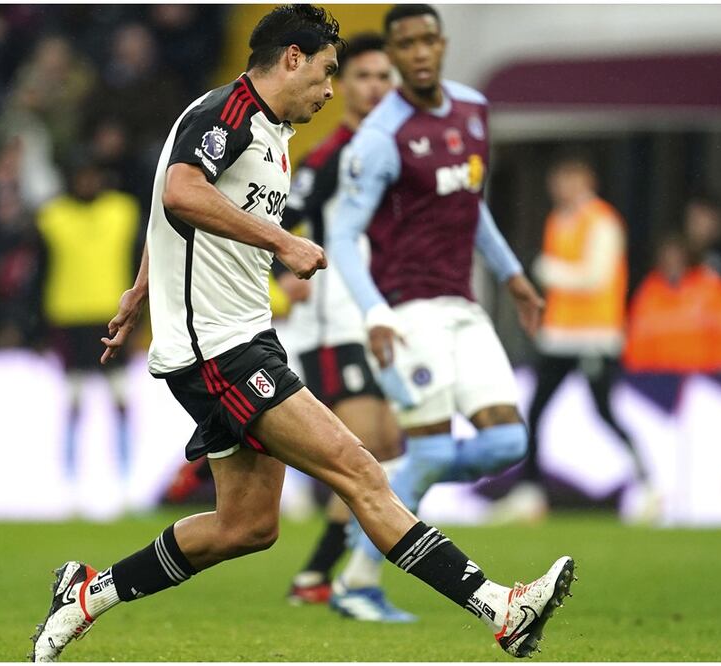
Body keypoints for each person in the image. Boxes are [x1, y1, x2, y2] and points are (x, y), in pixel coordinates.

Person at [30, 6, 573, 662]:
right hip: (217, 351)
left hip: (239, 340)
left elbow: (173, 208)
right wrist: (283, 241)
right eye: (325, 74)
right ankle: (497, 606)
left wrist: (143, 288)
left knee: (247, 526)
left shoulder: (270, 131)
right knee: (360, 470)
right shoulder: (224, 114)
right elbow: (178, 191)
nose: (329, 90)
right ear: (291, 58)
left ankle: (88, 595)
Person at [325, 4, 547, 623]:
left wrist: (513, 275)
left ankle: (392, 476)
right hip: (409, 310)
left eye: (428, 40)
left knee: (508, 440)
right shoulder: (379, 137)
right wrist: (374, 314)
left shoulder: (475, 110)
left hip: (464, 304)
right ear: (392, 56)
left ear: (442, 45)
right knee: (431, 445)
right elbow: (343, 237)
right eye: (407, 44)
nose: (420, 52)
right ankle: (357, 584)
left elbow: (470, 205)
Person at [271, 33, 407, 615]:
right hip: (333, 325)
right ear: (342, 85)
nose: (374, 87)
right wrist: (285, 271)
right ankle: (332, 578)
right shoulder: (329, 156)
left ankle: (322, 576)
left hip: (382, 321)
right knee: (366, 452)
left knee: (391, 447)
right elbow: (283, 217)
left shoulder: (395, 154)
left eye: (384, 78)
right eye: (364, 77)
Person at [494, 158, 650, 524]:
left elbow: (595, 277)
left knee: (604, 412)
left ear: (586, 180)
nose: (561, 188)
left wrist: (549, 271)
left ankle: (647, 485)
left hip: (595, 335)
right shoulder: (558, 220)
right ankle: (530, 492)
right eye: (558, 180)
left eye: (569, 179)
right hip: (562, 336)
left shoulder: (603, 222)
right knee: (536, 410)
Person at [32, 153, 141, 504]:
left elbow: (141, 263)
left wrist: (142, 319)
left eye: (92, 175)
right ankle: (69, 483)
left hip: (112, 318)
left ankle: (126, 480)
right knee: (74, 401)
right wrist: (34, 325)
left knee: (121, 398)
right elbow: (38, 273)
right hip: (69, 320)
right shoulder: (52, 218)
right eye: (81, 176)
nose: (87, 183)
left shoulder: (123, 213)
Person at [623, 234, 721, 372]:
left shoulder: (712, 290)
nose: (672, 263)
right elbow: (636, 344)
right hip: (659, 381)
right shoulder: (647, 294)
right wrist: (641, 377)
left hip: (705, 380)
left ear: (688, 258)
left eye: (677, 258)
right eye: (667, 259)